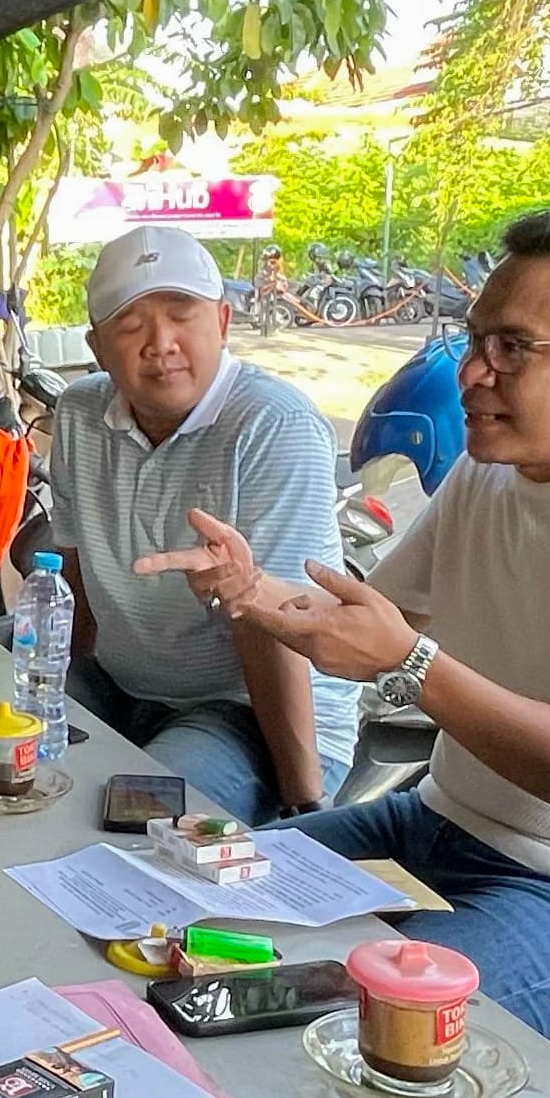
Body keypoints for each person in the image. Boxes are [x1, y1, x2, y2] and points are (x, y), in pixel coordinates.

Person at [138, 210, 550, 1037]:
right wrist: (254, 590)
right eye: (475, 339)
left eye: (514, 348)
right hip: (435, 821)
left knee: (339, 1027)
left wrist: (413, 664)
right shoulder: (489, 477)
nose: (473, 373)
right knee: (164, 904)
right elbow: (364, 628)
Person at [54, 224, 357, 823]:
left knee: (139, 827)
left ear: (221, 322)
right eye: (131, 324)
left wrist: (302, 803)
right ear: (97, 347)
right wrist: (70, 680)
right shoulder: (80, 413)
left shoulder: (273, 424)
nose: (160, 343)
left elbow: (281, 623)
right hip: (125, 686)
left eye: (181, 315)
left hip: (249, 711)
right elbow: (77, 569)